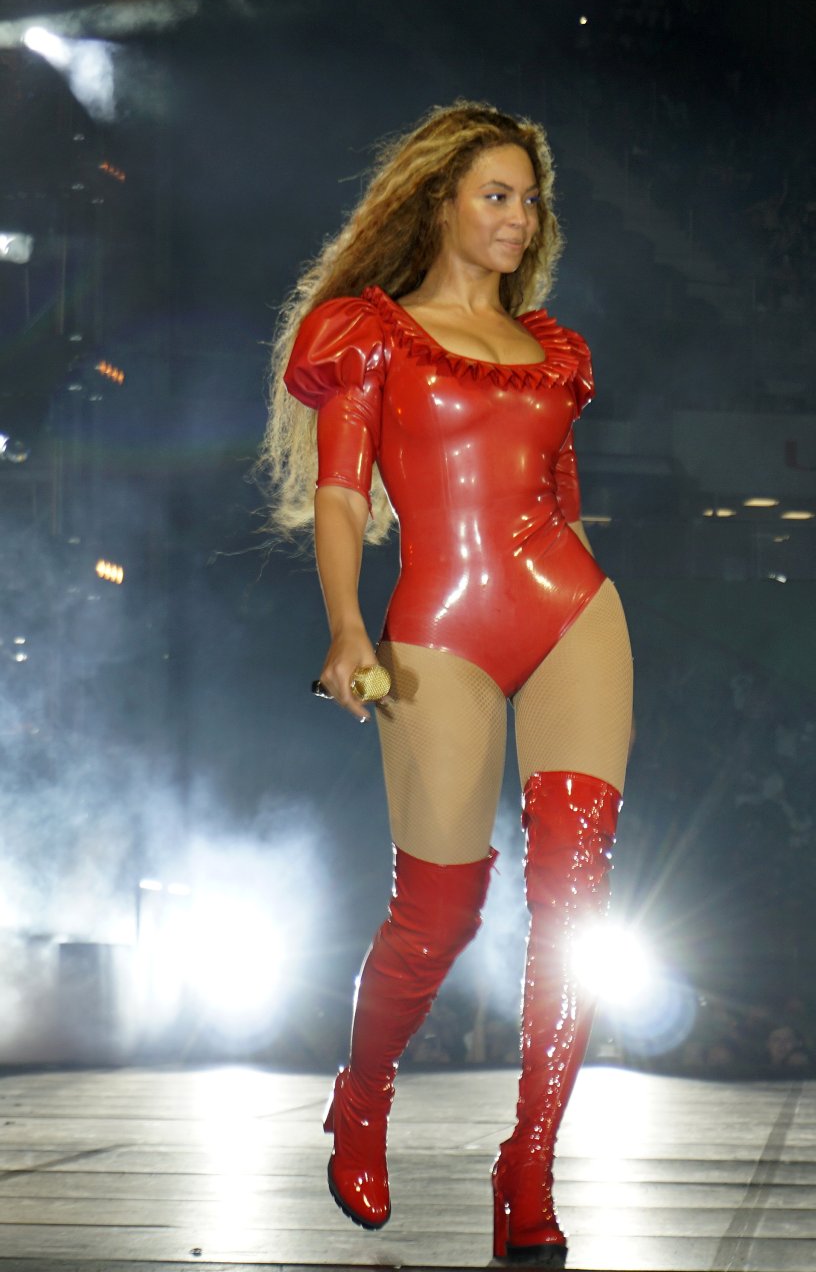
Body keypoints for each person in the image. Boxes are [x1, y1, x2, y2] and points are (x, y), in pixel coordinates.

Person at [259, 101, 634, 1266]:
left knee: (575, 899)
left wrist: (574, 593)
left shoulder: (556, 349)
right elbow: (339, 495)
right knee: (440, 911)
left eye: (529, 198)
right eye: (495, 194)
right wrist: (342, 626)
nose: (519, 217)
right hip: (439, 627)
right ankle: (363, 1092)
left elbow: (560, 497)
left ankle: (530, 1162)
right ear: (440, 202)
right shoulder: (367, 334)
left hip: (572, 606)